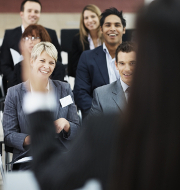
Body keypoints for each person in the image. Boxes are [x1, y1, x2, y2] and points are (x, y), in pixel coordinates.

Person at [24, 0, 180, 189]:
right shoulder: (90, 62)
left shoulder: (105, 132)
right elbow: (81, 91)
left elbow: (50, 176)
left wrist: (39, 99)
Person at [3, 42, 79, 170]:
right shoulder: (14, 93)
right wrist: (31, 139)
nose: (46, 66)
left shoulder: (64, 88)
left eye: (51, 62)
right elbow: (9, 136)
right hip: (29, 158)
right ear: (32, 61)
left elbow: (77, 129)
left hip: (61, 156)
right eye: (42, 61)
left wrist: (66, 125)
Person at [74, 7, 126, 118]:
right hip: (99, 121)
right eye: (108, 25)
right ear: (101, 29)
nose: (112, 29)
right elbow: (81, 93)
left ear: (124, 29)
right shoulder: (87, 57)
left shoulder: (136, 55)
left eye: (117, 25)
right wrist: (99, 118)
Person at [0, 0, 62, 89]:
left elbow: (56, 61)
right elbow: (4, 64)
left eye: (36, 11)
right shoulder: (9, 35)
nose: (33, 14)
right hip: (16, 82)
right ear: (21, 14)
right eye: (29, 11)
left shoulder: (50, 34)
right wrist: (16, 81)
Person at [88, 41, 136, 117]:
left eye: (132, 63)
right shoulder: (101, 95)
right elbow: (92, 128)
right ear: (116, 65)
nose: (127, 69)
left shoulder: (153, 92)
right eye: (122, 63)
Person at [69, 4, 102, 77]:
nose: (90, 20)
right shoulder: (77, 39)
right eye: (86, 18)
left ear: (99, 17)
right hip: (86, 79)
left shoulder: (107, 37)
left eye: (93, 16)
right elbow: (74, 68)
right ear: (83, 21)